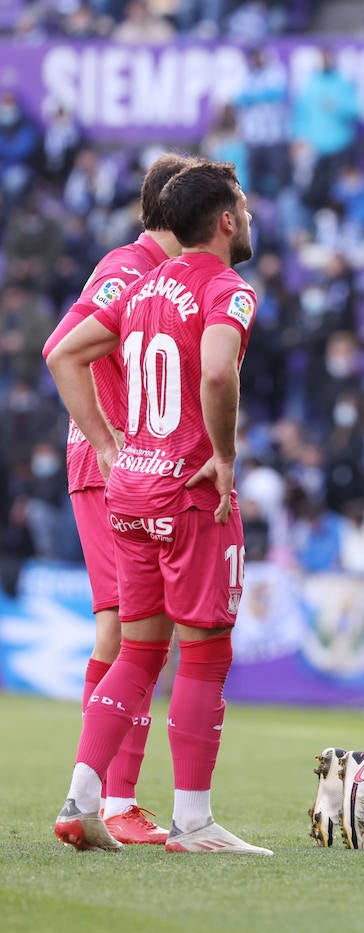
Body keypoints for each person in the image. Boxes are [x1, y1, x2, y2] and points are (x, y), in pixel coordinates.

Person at [47, 160, 271, 855]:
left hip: (132, 489)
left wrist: (116, 448)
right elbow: (214, 369)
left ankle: (84, 799)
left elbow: (66, 352)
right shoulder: (227, 289)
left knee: (137, 649)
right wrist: (226, 456)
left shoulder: (142, 286)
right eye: (246, 207)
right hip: (186, 485)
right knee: (205, 652)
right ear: (226, 219)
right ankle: (194, 821)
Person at [39, 151, 188, 846]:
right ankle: (108, 797)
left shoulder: (162, 275)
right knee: (132, 628)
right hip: (114, 465)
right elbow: (62, 347)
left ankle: (99, 795)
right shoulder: (128, 269)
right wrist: (104, 443)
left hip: (135, 466)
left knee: (130, 627)